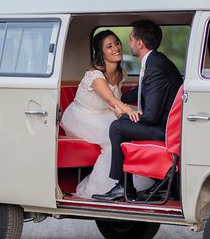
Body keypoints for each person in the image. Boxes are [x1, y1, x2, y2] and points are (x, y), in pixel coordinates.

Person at [92, 20, 183, 201]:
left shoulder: (155, 67)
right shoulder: (155, 61)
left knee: (117, 127)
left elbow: (151, 116)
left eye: (131, 39)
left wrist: (124, 113)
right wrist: (118, 98)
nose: (129, 43)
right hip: (162, 123)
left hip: (164, 130)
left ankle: (123, 186)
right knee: (122, 123)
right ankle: (129, 185)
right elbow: (142, 92)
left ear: (139, 43)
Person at [60, 30, 154, 198]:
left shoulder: (119, 73)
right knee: (112, 140)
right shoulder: (94, 75)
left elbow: (114, 105)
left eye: (117, 43)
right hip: (82, 116)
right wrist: (130, 111)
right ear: (101, 53)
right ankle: (97, 191)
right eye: (109, 46)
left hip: (103, 114)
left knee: (130, 132)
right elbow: (112, 100)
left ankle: (129, 184)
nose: (116, 48)